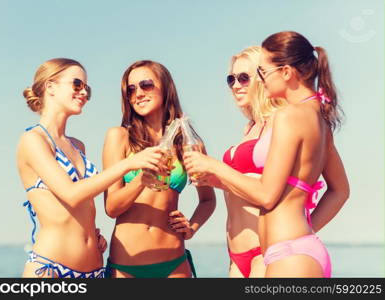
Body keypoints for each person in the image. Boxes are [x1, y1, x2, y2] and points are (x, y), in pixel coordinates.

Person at [184, 31, 350, 277]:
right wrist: (305, 231)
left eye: (262, 73)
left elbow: (267, 195)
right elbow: (339, 190)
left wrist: (213, 165)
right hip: (296, 248)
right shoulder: (318, 119)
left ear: (285, 72)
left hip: (288, 254)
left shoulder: (287, 116)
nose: (261, 80)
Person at [17, 58, 165, 278]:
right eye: (77, 85)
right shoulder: (33, 140)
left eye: (87, 88)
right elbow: (71, 194)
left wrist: (89, 234)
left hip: (94, 270)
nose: (84, 93)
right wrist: (130, 164)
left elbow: (82, 206)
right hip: (51, 269)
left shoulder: (77, 145)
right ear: (50, 87)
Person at [103, 60, 216, 278]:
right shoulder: (120, 137)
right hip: (128, 265)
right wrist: (141, 180)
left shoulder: (189, 144)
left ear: (165, 87)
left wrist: (191, 227)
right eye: (131, 89)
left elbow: (208, 199)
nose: (138, 94)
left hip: (174, 263)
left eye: (146, 85)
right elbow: (111, 207)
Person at [223, 46, 286, 277]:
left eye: (243, 78)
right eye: (231, 79)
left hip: (263, 250)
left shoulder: (280, 120)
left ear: (262, 78)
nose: (236, 86)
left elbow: (272, 189)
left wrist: (216, 168)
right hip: (235, 254)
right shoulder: (250, 128)